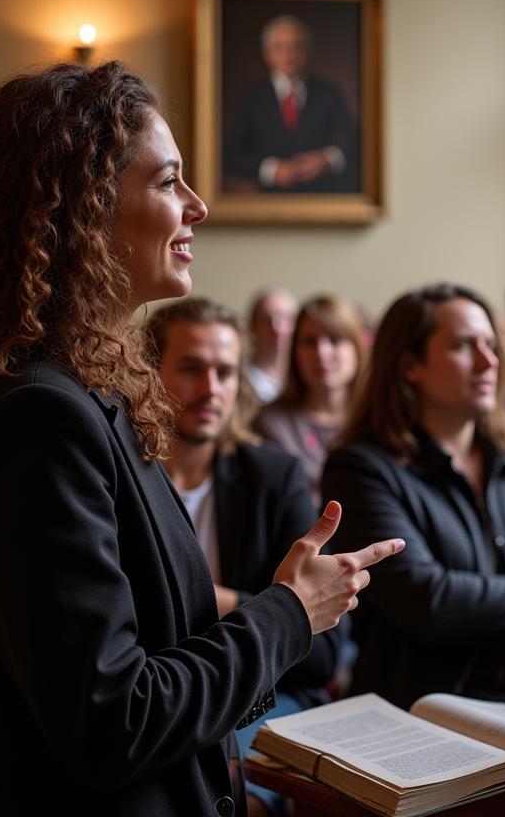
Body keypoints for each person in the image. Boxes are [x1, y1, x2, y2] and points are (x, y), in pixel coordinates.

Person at [0, 61, 403, 817]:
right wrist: (287, 612)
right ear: (82, 209)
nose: (199, 206)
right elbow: (111, 718)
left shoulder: (82, 396)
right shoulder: (36, 418)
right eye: (168, 182)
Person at [320, 283, 505, 711]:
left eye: (491, 345)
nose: (488, 361)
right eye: (465, 346)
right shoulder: (360, 469)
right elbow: (430, 601)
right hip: (423, 712)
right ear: (410, 366)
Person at [147, 297, 341, 817]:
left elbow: (321, 653)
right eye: (191, 368)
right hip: (158, 698)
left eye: (226, 372)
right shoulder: (128, 480)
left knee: (237, 789)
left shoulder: (272, 478)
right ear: (148, 371)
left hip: (264, 694)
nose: (211, 389)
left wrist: (220, 599)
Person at [223, 15, 358, 193]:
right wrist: (271, 170)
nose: (289, 55)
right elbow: (231, 153)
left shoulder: (329, 92)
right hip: (268, 203)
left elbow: (354, 141)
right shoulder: (251, 97)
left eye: (297, 47)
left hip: (323, 199)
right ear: (267, 54)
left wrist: (328, 158)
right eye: (280, 47)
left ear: (308, 52)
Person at [256, 295, 367, 505]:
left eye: (335, 340)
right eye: (310, 341)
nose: (321, 352)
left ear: (357, 349)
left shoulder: (376, 422)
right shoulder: (270, 422)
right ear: (294, 351)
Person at [245, 287, 297, 404]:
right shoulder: (242, 381)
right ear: (252, 327)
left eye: (285, 318)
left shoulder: (308, 379)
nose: (277, 328)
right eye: (267, 319)